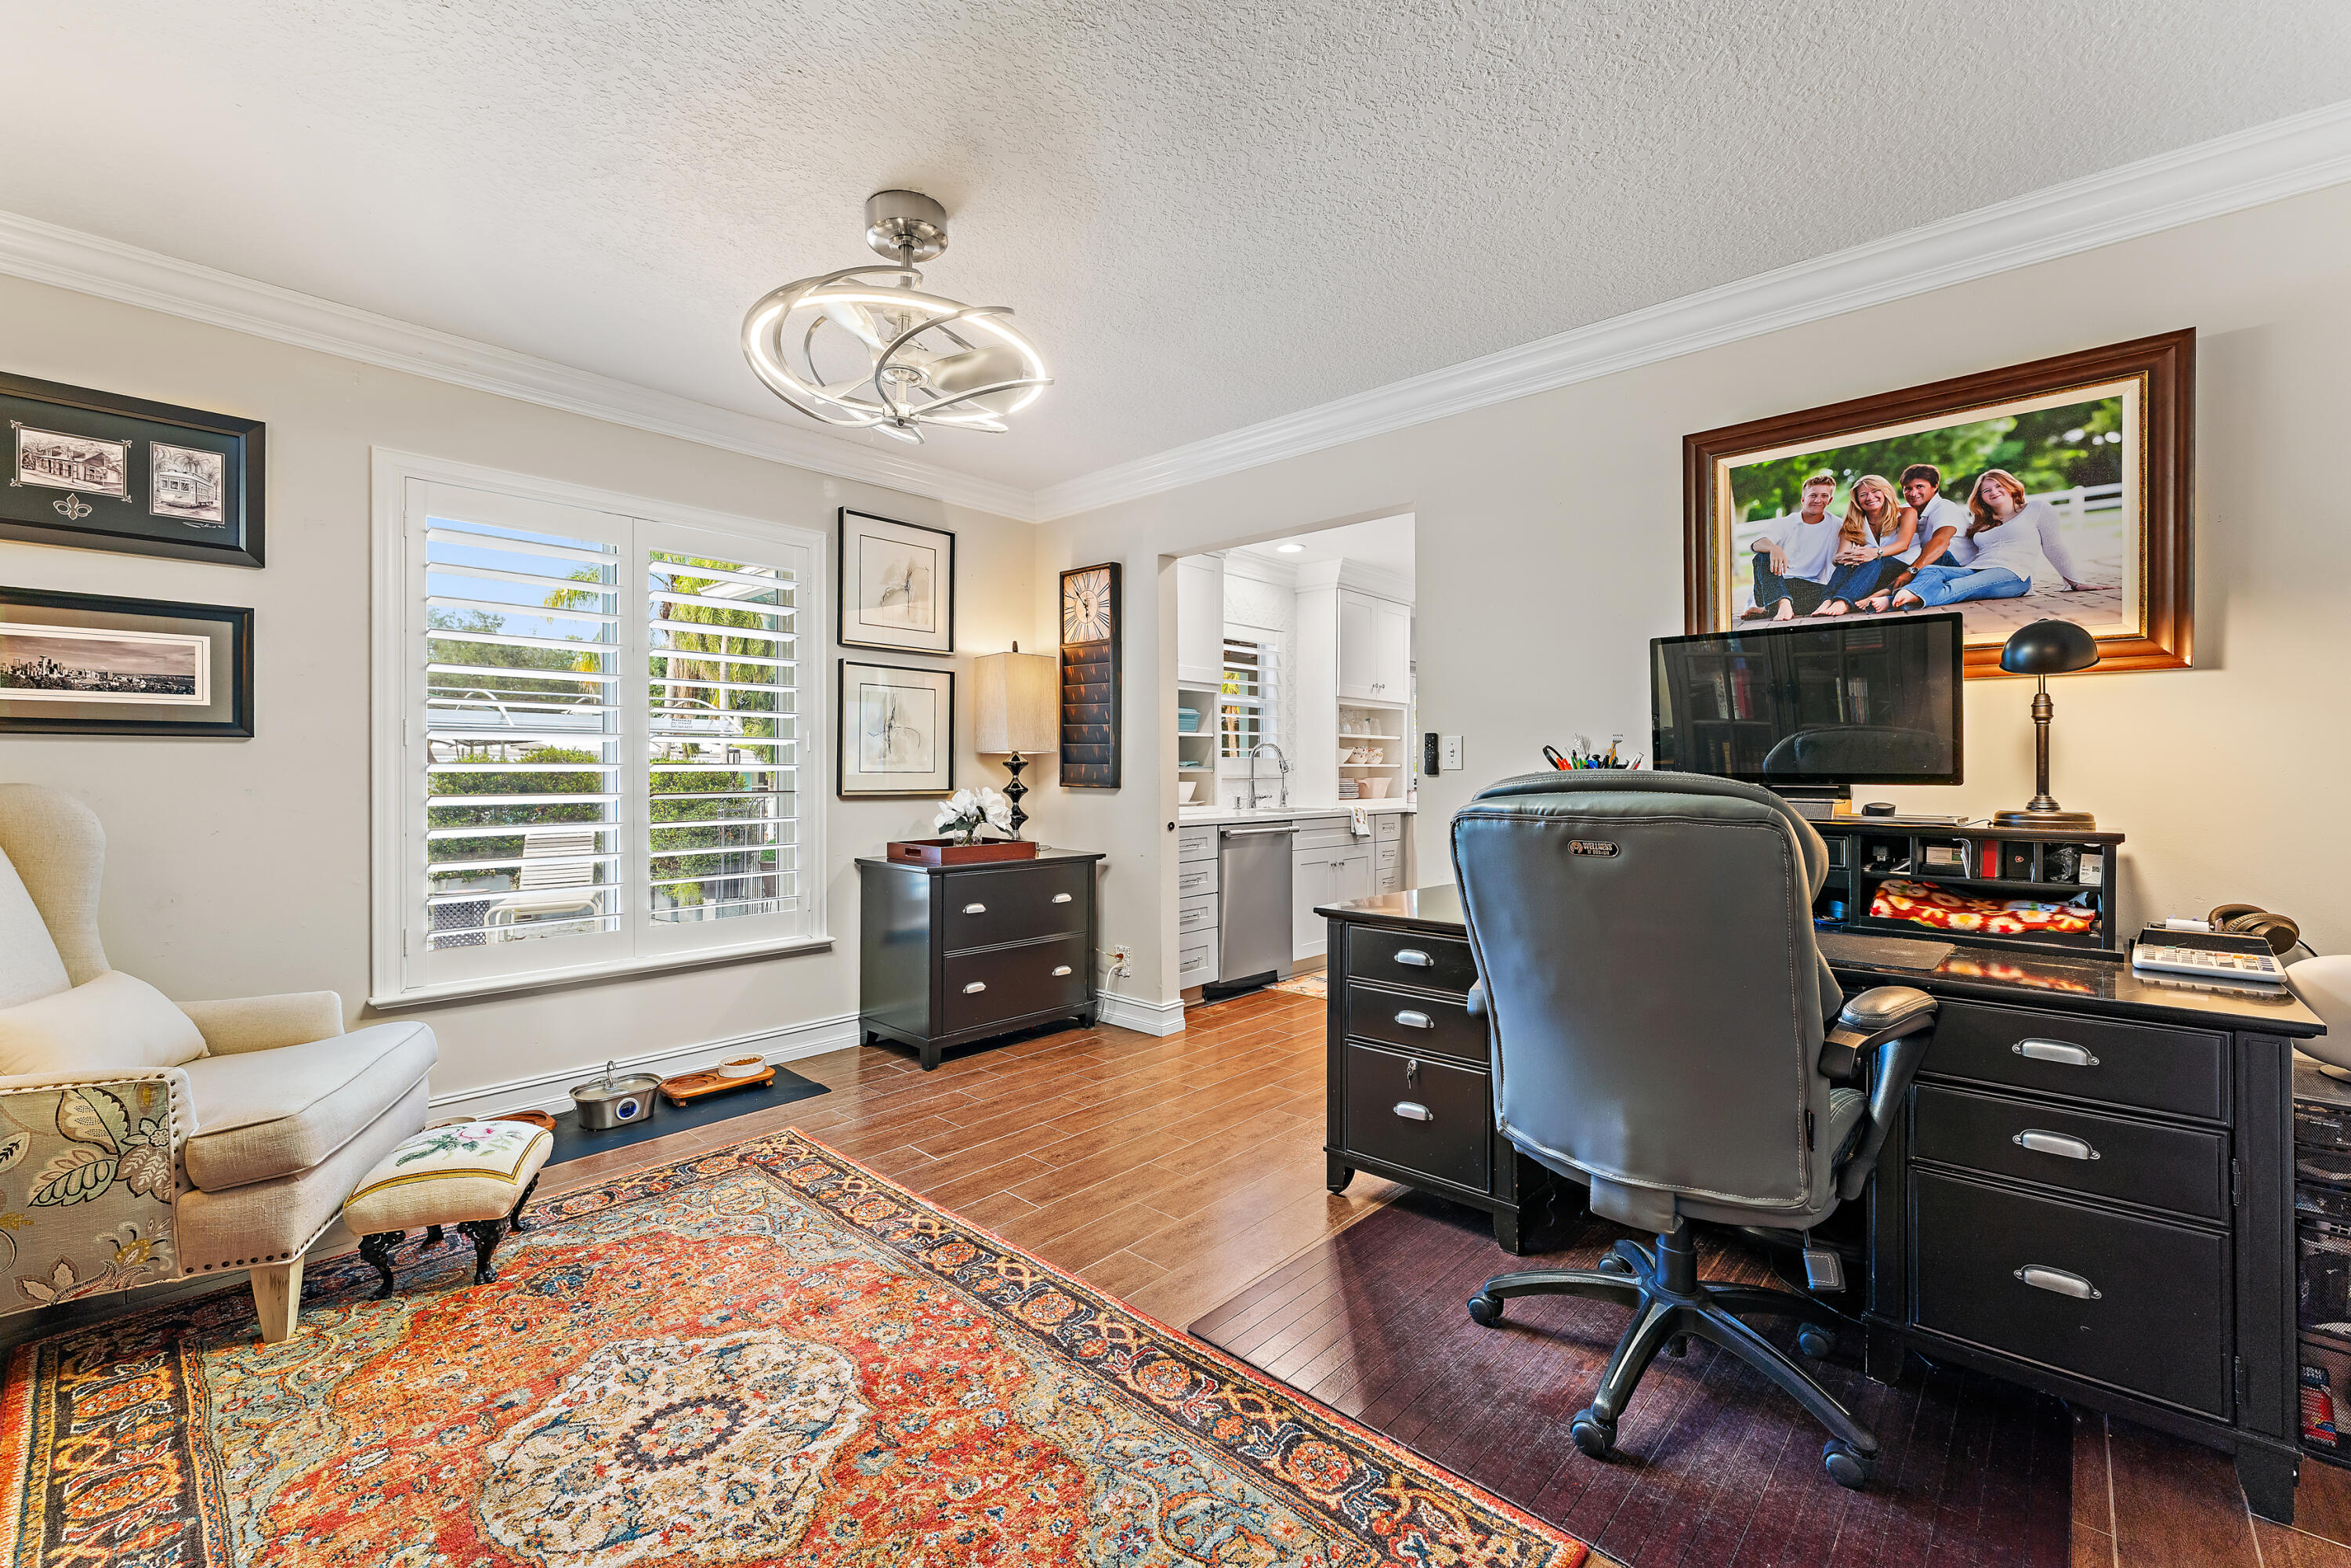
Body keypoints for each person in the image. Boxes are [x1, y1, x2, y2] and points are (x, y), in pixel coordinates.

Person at [1873, 468, 2113, 610]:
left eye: (1998, 486)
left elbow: (2053, 547)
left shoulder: (2036, 509)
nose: (1993, 492)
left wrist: (2074, 581)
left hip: (2013, 574)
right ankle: (1903, 596)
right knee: (1931, 572)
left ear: (2011, 487)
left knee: (1956, 588)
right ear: (1982, 497)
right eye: (1986, 490)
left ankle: (1898, 599)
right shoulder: (1983, 522)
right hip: (1978, 569)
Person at [1741, 471, 1843, 620]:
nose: (1818, 500)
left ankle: (1770, 610)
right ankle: (1782, 604)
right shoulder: (1787, 522)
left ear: (1830, 500)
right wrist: (1773, 548)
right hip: (1776, 584)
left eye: (1824, 496)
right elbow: (1757, 543)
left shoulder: (1838, 525)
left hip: (1809, 587)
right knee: (1762, 556)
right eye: (1813, 495)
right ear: (1803, 499)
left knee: (1831, 595)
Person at [1813, 474, 1914, 616]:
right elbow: (1839, 557)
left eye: (1875, 491)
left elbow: (1903, 545)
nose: (1870, 497)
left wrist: (1874, 553)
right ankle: (1827, 601)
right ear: (1857, 500)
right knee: (1850, 562)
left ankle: (1843, 603)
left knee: (1873, 559)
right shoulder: (1853, 521)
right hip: (1871, 573)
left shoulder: (1906, 512)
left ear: (1885, 492)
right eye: (1863, 494)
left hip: (1902, 566)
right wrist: (1850, 557)